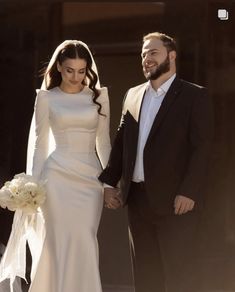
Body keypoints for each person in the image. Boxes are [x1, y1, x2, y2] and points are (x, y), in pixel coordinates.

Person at [99, 32, 214, 292]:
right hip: (137, 200)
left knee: (179, 276)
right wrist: (108, 182)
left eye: (153, 53)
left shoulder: (194, 96)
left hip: (177, 202)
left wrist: (189, 191)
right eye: (143, 54)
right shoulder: (132, 95)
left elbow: (202, 148)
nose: (146, 59)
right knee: (145, 276)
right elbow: (121, 143)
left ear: (171, 56)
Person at [3, 40, 111, 292]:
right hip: (56, 179)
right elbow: (40, 146)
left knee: (84, 238)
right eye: (70, 70)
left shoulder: (98, 97)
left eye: (82, 71)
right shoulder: (46, 98)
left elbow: (104, 144)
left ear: (88, 70)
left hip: (90, 180)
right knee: (55, 242)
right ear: (59, 68)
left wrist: (109, 183)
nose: (76, 77)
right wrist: (33, 187)